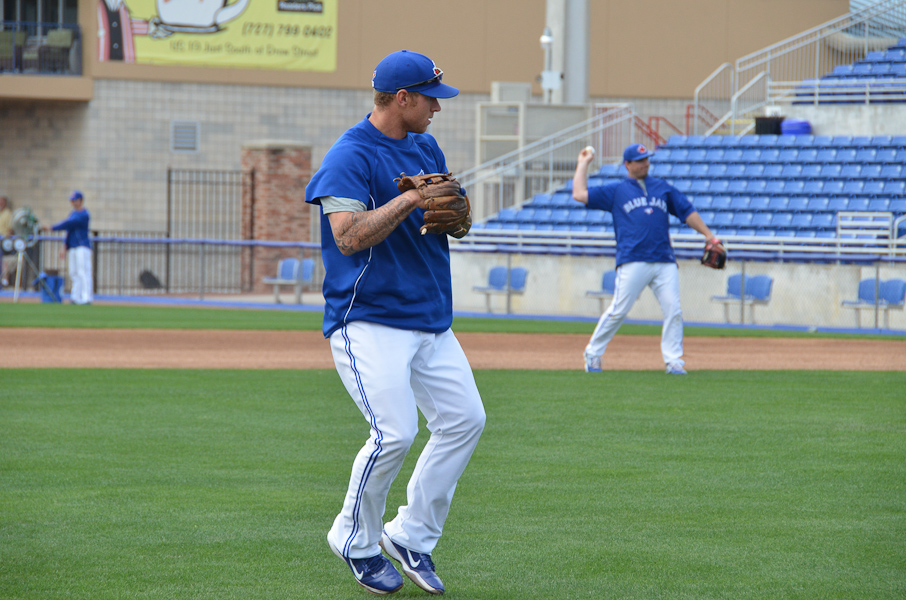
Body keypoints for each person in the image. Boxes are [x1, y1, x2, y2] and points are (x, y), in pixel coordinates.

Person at [304, 49, 486, 596]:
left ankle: (410, 534)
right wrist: (410, 202)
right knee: (394, 432)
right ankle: (353, 539)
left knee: (464, 421)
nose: (438, 107)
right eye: (430, 98)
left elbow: (445, 217)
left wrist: (458, 216)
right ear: (401, 98)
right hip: (369, 319)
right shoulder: (349, 156)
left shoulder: (424, 143)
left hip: (430, 317)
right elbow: (348, 236)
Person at [571, 143, 721, 375]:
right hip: (633, 259)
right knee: (619, 310)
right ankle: (593, 353)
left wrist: (709, 235)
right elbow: (579, 194)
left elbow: (687, 212)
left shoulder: (662, 188)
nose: (645, 164)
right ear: (627, 165)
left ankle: (673, 361)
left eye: (647, 159)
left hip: (664, 260)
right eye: (640, 161)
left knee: (673, 309)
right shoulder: (617, 190)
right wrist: (583, 164)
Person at [42, 190, 93, 305]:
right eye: (72, 201)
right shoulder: (73, 213)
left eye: (75, 200)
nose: (73, 203)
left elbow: (68, 224)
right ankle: (76, 297)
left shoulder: (84, 214)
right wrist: (64, 247)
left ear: (81, 201)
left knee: (83, 272)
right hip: (73, 247)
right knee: (74, 272)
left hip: (82, 246)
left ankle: (86, 297)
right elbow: (69, 231)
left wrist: (52, 228)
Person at [0, 195, 12, 287]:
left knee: (3, 261)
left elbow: (9, 229)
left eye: (2, 202)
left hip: (3, 241)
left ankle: (4, 280)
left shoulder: (7, 214)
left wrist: (7, 242)